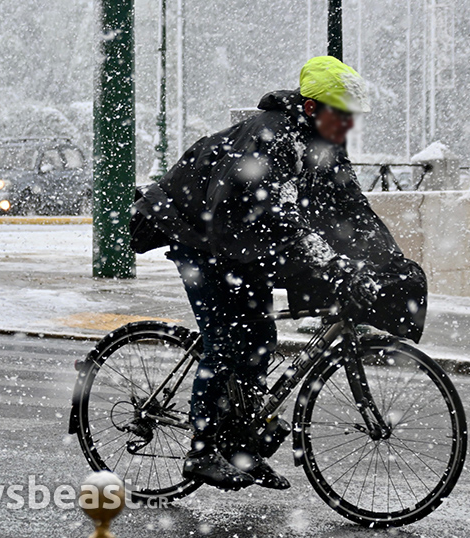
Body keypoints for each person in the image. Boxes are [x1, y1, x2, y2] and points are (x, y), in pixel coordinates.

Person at [129, 57, 427, 491]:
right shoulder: (270, 136)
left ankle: (239, 447)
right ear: (310, 109)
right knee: (226, 340)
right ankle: (202, 451)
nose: (346, 127)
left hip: (239, 244)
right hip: (200, 235)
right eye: (340, 116)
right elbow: (276, 212)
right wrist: (331, 263)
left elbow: (350, 210)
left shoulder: (324, 145)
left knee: (259, 337)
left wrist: (387, 263)